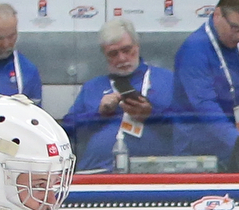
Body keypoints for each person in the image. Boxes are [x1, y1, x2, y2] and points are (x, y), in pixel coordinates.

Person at [63, 20, 179, 171]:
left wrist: (151, 115)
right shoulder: (93, 87)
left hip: (153, 174)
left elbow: (189, 127)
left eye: (127, 50)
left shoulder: (167, 80)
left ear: (137, 46)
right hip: (96, 173)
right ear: (105, 55)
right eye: (113, 53)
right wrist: (98, 115)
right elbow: (66, 131)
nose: (122, 58)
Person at [172, 0, 239, 165]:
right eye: (235, 28)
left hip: (235, 146)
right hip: (200, 155)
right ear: (217, 14)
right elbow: (205, 107)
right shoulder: (194, 50)